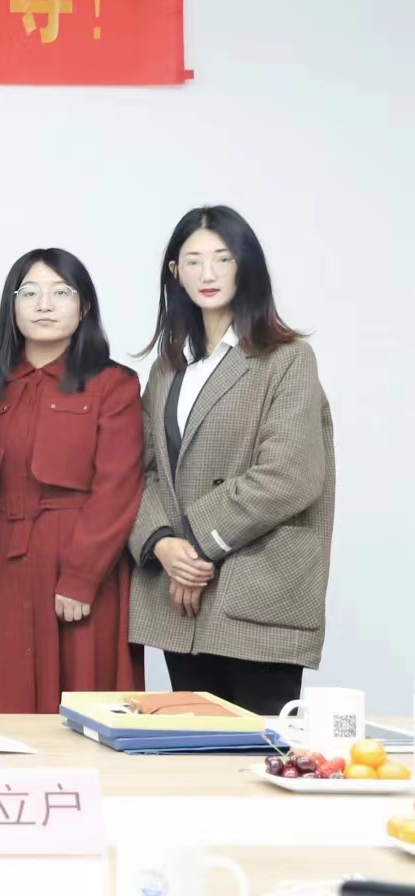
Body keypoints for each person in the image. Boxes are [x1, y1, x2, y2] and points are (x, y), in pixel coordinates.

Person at [127, 206, 334, 716]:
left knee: (262, 749)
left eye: (223, 258)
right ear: (175, 272)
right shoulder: (168, 367)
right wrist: (164, 545)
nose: (209, 273)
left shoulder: (287, 359)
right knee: (194, 750)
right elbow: (143, 470)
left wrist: (195, 546)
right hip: (181, 601)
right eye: (193, 261)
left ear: (246, 266)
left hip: (258, 592)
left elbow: (289, 475)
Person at [0, 248, 145, 713]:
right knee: (1, 692)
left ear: (84, 306)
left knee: (84, 692)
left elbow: (118, 488)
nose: (44, 305)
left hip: (78, 557)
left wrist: (82, 576)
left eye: (60, 292)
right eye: (29, 293)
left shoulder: (113, 384)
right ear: (12, 306)